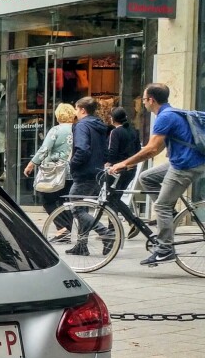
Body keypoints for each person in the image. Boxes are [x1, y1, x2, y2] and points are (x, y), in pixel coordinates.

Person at [107, 82, 205, 266]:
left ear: (151, 100)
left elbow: (151, 149)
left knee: (161, 206)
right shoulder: (169, 113)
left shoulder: (164, 117)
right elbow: (158, 148)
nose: (143, 103)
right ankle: (170, 215)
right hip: (184, 161)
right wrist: (130, 164)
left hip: (186, 165)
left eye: (143, 99)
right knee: (146, 177)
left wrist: (124, 163)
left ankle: (165, 249)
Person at [64, 96, 112, 257]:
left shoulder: (82, 126)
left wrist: (73, 164)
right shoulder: (99, 126)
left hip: (84, 172)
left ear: (82, 110)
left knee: (76, 207)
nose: (75, 113)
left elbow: (82, 149)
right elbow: (106, 151)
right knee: (83, 208)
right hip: (97, 172)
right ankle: (81, 245)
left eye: (76, 109)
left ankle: (105, 233)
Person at [24, 103, 76, 241]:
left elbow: (45, 148)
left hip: (55, 170)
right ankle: (66, 230)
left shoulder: (56, 130)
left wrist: (31, 164)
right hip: (71, 170)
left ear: (59, 115)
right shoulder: (77, 129)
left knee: (47, 199)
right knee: (65, 200)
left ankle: (62, 228)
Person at [104, 107, 140, 193]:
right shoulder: (133, 131)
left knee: (111, 198)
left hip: (117, 169)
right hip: (131, 168)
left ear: (113, 119)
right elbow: (138, 149)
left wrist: (108, 163)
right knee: (117, 196)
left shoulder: (115, 132)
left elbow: (112, 152)